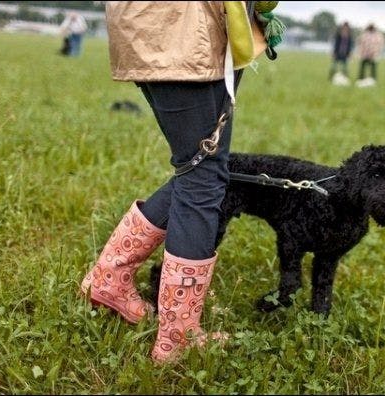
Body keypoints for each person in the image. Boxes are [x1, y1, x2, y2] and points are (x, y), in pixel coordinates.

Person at [80, 2, 273, 363]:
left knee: (199, 168)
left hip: (162, 28)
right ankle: (178, 337)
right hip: (183, 32)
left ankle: (110, 278)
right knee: (202, 177)